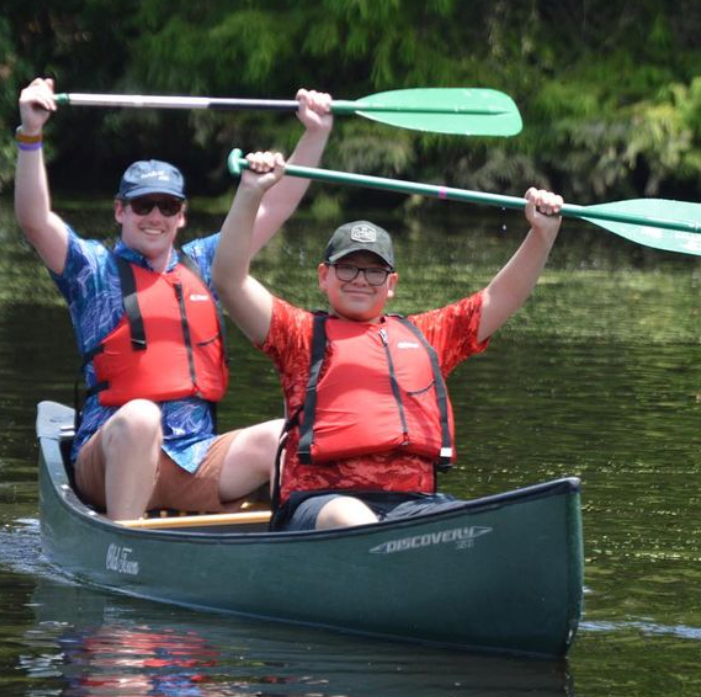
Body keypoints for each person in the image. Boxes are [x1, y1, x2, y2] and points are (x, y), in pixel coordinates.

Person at [13, 79, 333, 521]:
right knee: (141, 417)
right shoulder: (91, 268)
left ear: (181, 216)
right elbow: (33, 219)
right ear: (120, 210)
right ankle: (125, 539)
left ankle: (300, 540)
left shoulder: (203, 265)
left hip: (196, 455)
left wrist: (314, 134)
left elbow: (273, 208)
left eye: (167, 207)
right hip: (112, 455)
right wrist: (31, 133)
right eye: (143, 206)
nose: (155, 217)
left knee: (282, 436)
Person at [214, 151, 564, 531]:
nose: (360, 279)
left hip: (413, 505)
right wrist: (250, 193)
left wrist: (541, 235)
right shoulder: (297, 334)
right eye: (348, 266)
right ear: (323, 276)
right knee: (348, 517)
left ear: (392, 284)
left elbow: (500, 297)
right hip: (320, 507)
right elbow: (230, 281)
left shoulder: (428, 336)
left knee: (477, 523)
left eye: (374, 271)